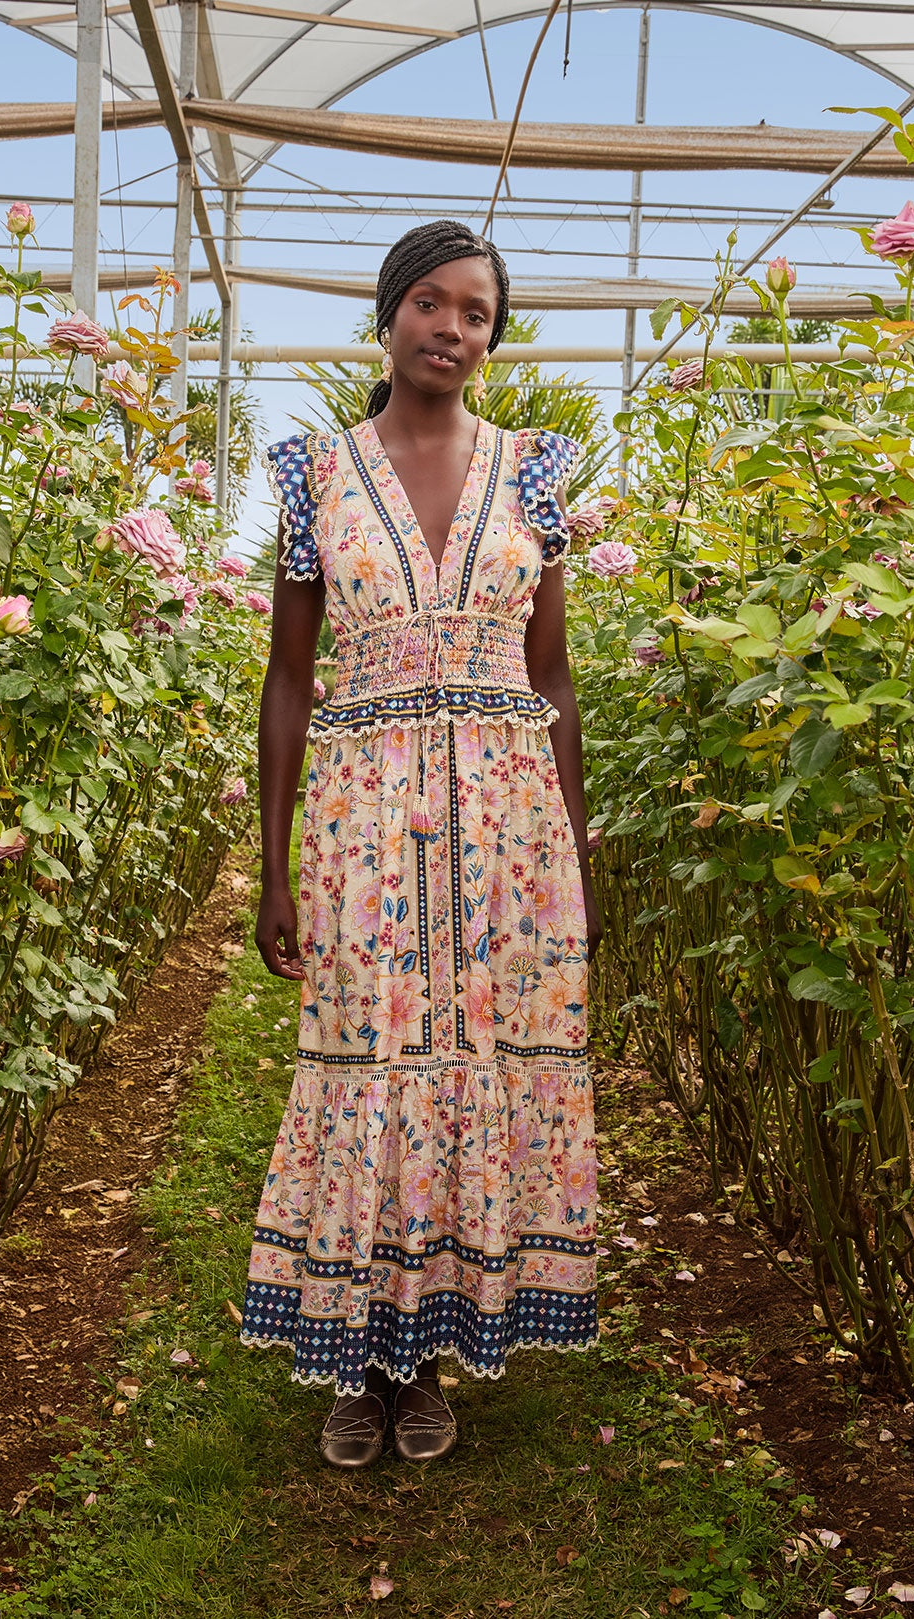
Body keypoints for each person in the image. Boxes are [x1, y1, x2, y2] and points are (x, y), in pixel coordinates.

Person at [241, 219, 602, 1469]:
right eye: (432, 304)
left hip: (510, 827)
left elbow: (551, 676)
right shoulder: (312, 477)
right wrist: (275, 863)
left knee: (479, 1060)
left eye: (480, 313)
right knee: (370, 1061)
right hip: (362, 821)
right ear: (387, 313)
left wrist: (577, 852)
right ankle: (364, 1357)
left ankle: (436, 1346)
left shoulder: (540, 472)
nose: (454, 329)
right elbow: (290, 681)